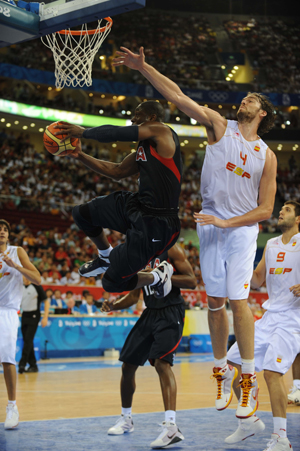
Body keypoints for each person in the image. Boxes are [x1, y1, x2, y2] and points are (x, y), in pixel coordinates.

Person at [113, 47, 277, 418]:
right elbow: (177, 95)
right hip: (209, 227)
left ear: (262, 113)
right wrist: (143, 67)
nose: (244, 100)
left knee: (238, 302)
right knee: (215, 304)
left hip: (239, 230)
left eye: (251, 98)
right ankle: (220, 369)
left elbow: (266, 209)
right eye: (244, 97)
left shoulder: (266, 155)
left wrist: (227, 222)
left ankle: (247, 379)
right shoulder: (221, 126)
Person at [54, 100, 182, 299]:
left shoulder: (162, 132)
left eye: (137, 114)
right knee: (82, 213)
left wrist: (83, 132)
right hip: (137, 205)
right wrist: (80, 155)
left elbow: (116, 133)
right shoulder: (144, 148)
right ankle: (105, 256)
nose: (132, 118)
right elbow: (117, 171)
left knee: (111, 283)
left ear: (152, 118)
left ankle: (156, 277)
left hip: (158, 223)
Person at [101, 243, 196, 449]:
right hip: (150, 313)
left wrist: (162, 277)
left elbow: (192, 281)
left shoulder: (171, 250)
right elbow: (135, 296)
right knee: (127, 365)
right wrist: (114, 305)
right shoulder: (136, 255)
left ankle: (171, 427)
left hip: (171, 312)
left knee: (162, 364)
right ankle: (126, 419)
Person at [226, 201, 300, 451]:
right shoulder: (270, 244)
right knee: (232, 364)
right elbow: (257, 279)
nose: (281, 212)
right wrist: (237, 266)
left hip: (293, 319)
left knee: (271, 372)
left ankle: (281, 438)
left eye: (287, 210)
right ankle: (249, 422)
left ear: (298, 218)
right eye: (281, 210)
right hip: (269, 317)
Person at [0, 219, 41, 429]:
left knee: (7, 359)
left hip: (6, 312)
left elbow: (38, 278)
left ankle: (12, 406)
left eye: (5, 229)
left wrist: (15, 266)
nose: (2, 232)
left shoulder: (17, 252)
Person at [19, 276, 49, 373]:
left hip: (34, 316)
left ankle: (22, 364)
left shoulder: (36, 286)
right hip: (24, 315)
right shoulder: (20, 286)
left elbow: (46, 301)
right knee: (27, 340)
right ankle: (33, 365)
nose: (26, 278)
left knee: (28, 339)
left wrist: (45, 317)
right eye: (24, 276)